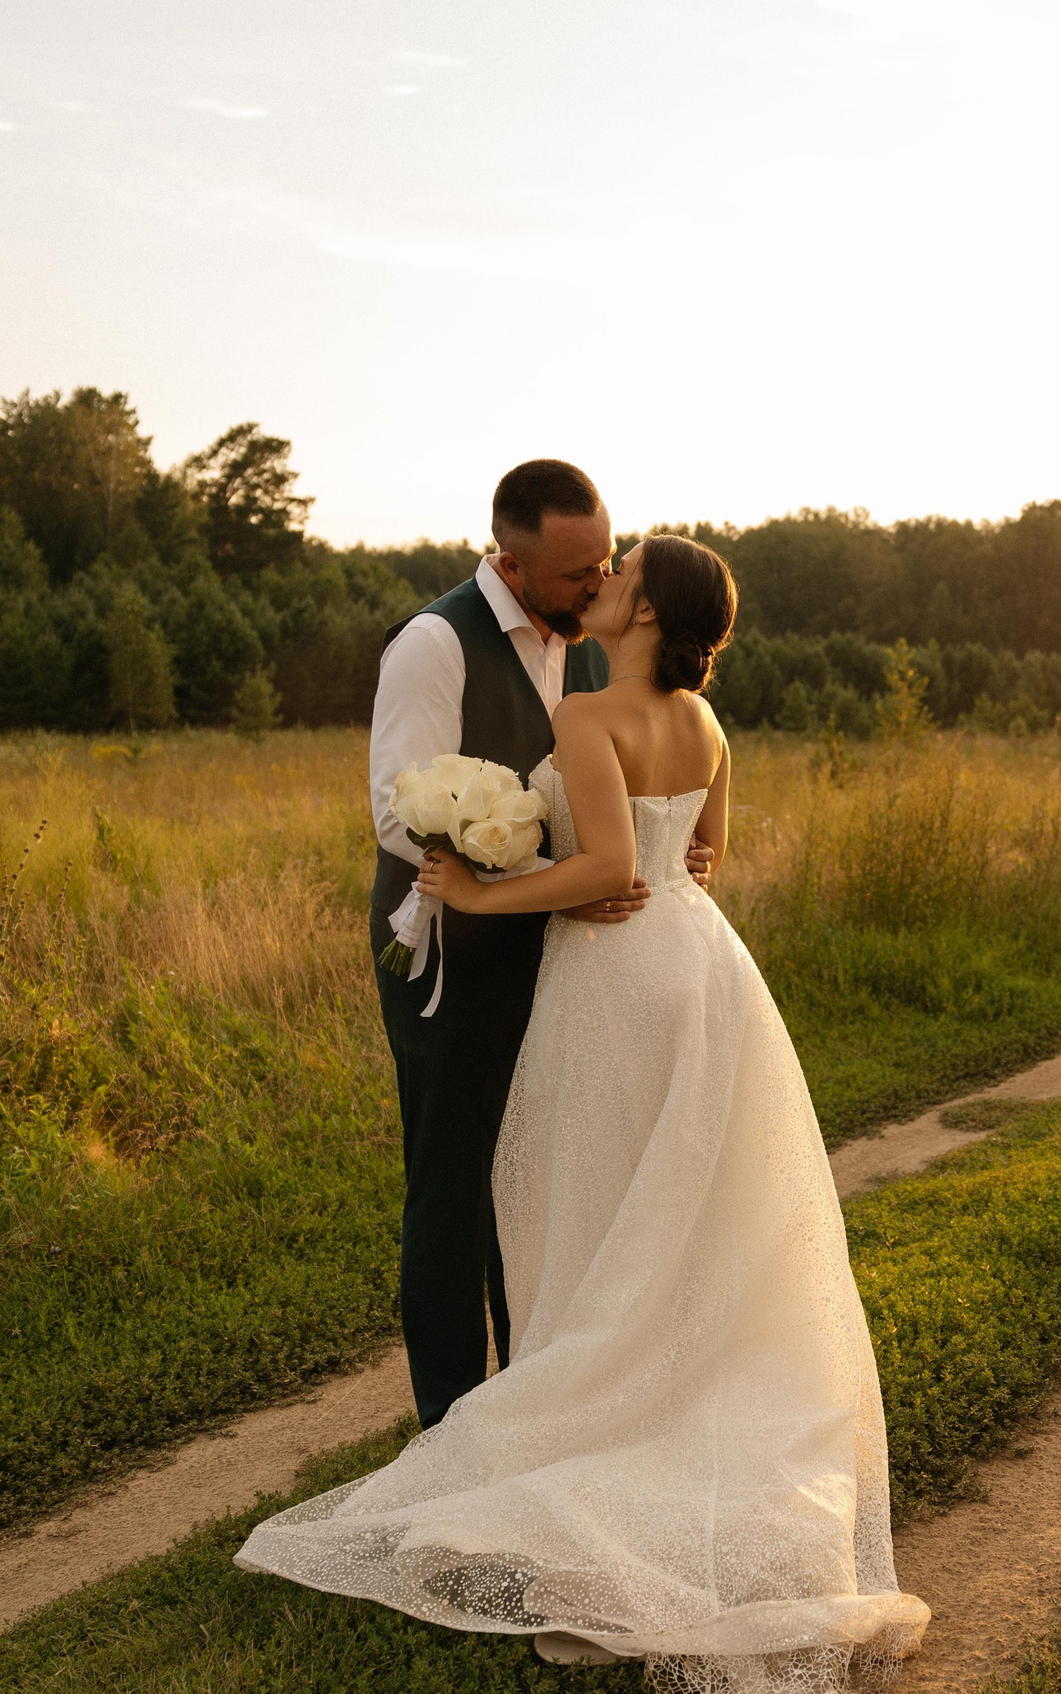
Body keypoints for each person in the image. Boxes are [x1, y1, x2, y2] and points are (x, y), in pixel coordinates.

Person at [239, 536, 929, 1690]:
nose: (604, 582)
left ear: (648, 610)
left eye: (624, 572)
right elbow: (702, 857)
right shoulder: (706, 725)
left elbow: (609, 867)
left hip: (615, 983)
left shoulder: (590, 715)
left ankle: (602, 1420)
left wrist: (484, 888)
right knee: (686, 1214)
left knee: (595, 1198)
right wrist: (626, 871)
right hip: (704, 975)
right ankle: (675, 1403)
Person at [361, 459, 711, 1431]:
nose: (598, 583)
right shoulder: (435, 644)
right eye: (575, 572)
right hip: (452, 953)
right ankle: (450, 1422)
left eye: (607, 562)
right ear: (510, 565)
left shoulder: (594, 649)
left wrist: (657, 851)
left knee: (539, 1180)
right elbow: (398, 812)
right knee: (454, 1188)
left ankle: (533, 1400)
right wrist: (546, 877)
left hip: (566, 963)